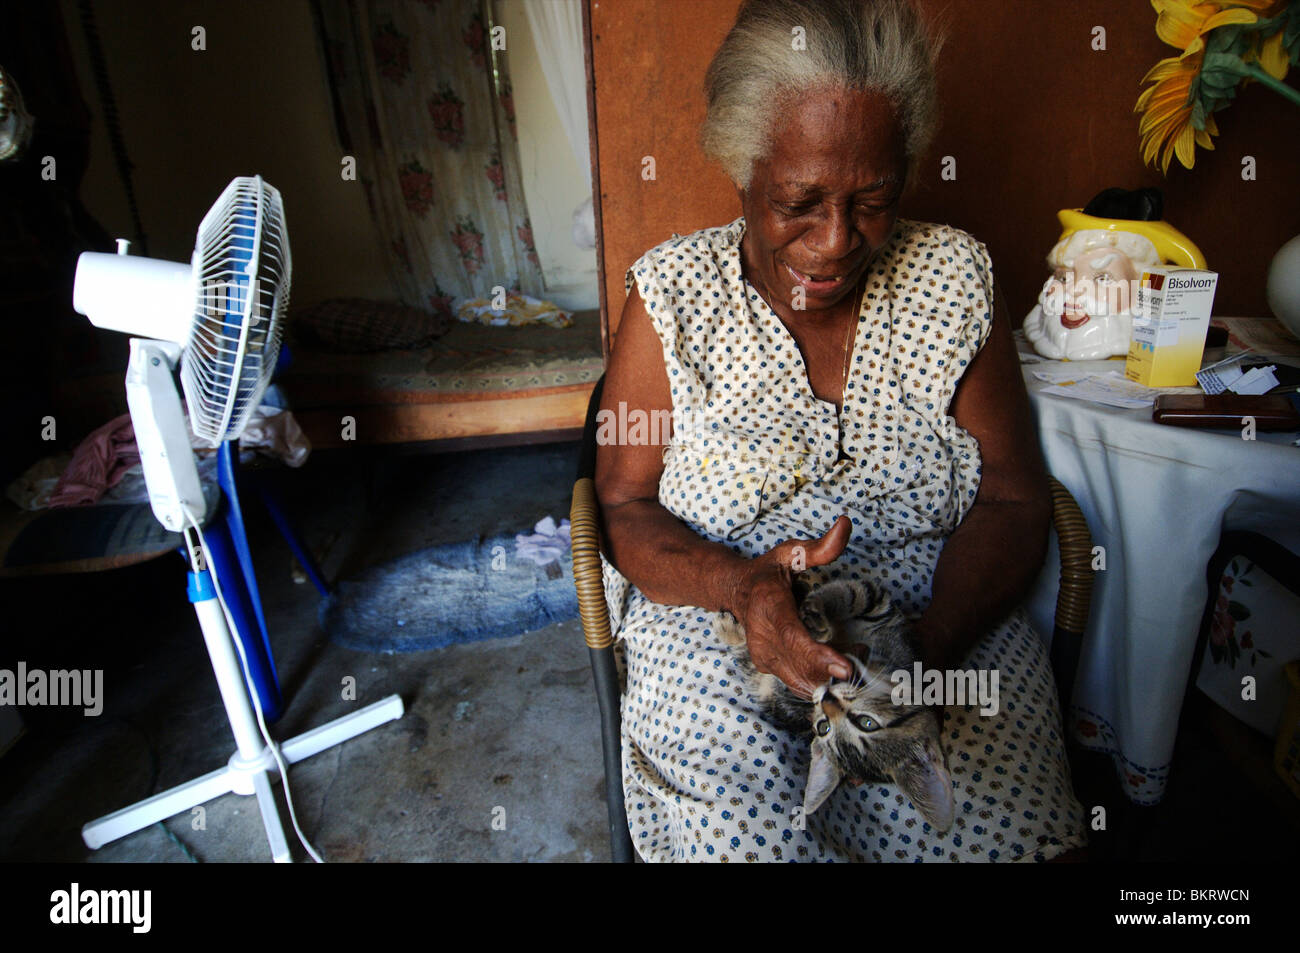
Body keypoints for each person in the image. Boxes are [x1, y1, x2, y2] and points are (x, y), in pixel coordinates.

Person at [595, 0, 1087, 862]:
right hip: (719, 611)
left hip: (940, 605)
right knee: (748, 840)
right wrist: (743, 588)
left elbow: (1012, 492)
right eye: (799, 201)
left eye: (873, 201)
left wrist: (926, 651)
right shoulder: (672, 292)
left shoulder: (954, 276)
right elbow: (625, 501)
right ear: (741, 166)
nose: (833, 243)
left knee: (1002, 836)